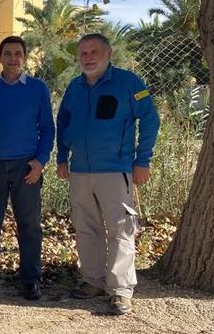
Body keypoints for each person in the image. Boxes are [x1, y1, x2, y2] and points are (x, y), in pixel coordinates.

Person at [56, 33, 160, 316]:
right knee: (86, 227)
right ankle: (93, 281)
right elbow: (63, 121)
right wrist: (62, 156)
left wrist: (143, 160)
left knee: (121, 229)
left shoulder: (129, 83)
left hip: (117, 169)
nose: (88, 57)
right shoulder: (74, 87)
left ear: (108, 54)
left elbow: (150, 118)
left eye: (94, 52)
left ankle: (120, 290)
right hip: (79, 171)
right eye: (83, 53)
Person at [0, 36, 54, 300]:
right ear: (0, 58)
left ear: (25, 58)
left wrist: (39, 162)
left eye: (18, 54)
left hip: (25, 167)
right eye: (8, 54)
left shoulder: (38, 89)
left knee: (29, 225)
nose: (13, 58)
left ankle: (30, 279)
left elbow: (47, 129)